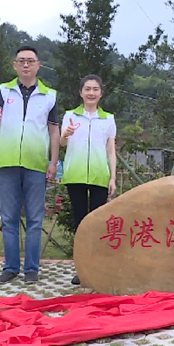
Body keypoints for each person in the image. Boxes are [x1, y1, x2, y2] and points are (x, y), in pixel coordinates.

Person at [0, 46, 60, 284]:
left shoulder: (49, 95)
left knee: (35, 218)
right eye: (22, 61)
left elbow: (53, 130)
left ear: (39, 65)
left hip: (36, 163)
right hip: (7, 162)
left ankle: (31, 268)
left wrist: (53, 162)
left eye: (30, 61)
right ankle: (10, 267)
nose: (26, 65)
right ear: (14, 65)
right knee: (8, 217)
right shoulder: (2, 90)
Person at [60, 75, 118, 285]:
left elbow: (111, 151)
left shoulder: (108, 119)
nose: (91, 93)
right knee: (80, 222)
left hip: (99, 176)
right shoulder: (70, 116)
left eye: (95, 89)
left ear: (101, 93)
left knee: (96, 223)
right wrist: (65, 134)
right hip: (75, 175)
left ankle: (98, 267)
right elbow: (62, 143)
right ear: (81, 92)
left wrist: (112, 177)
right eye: (87, 89)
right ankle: (81, 268)